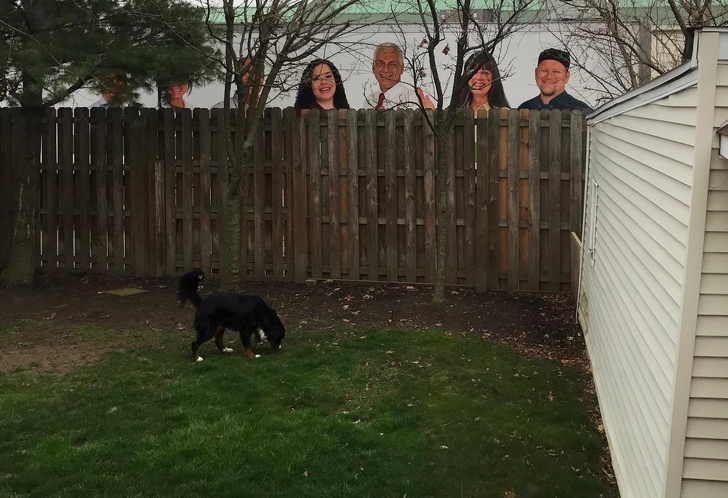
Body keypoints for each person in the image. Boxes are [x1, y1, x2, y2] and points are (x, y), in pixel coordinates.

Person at [518, 48, 591, 111]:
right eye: (544, 70)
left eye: (556, 71)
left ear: (566, 76)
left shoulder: (582, 111)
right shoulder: (523, 109)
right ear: (536, 73)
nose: (549, 76)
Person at [369, 42, 434, 110]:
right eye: (380, 64)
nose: (386, 69)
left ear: (401, 68)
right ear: (373, 67)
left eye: (392, 65)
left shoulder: (413, 100)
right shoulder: (369, 101)